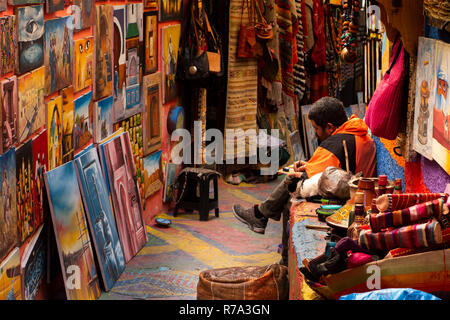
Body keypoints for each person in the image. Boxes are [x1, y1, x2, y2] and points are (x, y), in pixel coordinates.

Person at [232, 97, 377, 265]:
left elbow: (311, 177)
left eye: (316, 128)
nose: (315, 133)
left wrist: (300, 173)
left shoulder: (334, 144)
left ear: (330, 127)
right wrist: (309, 165)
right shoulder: (356, 132)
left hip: (349, 197)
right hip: (356, 188)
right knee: (291, 186)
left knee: (290, 186)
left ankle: (263, 220)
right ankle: (262, 217)